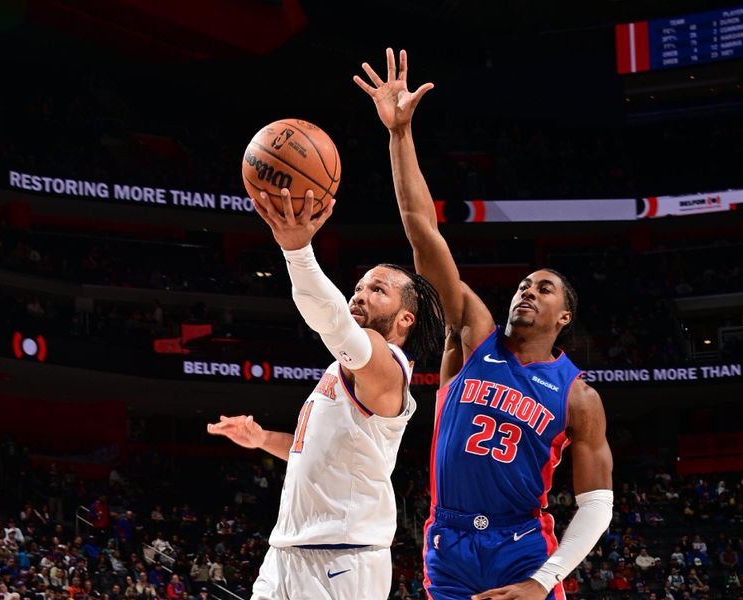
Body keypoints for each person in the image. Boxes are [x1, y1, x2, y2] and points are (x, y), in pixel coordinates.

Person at [355, 48, 614, 600]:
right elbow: (423, 230)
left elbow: (597, 506)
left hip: (522, 546)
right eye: (524, 283)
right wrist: (400, 135)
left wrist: (542, 581)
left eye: (544, 288)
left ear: (564, 317)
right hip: (446, 541)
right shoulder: (472, 334)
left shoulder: (578, 396)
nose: (527, 290)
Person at [207, 189, 445, 600]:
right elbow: (312, 450)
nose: (360, 294)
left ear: (406, 317)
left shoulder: (387, 368)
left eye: (377, 289)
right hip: (286, 552)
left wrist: (298, 251)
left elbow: (332, 322)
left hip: (343, 559)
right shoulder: (344, 369)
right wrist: (263, 439)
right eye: (358, 286)